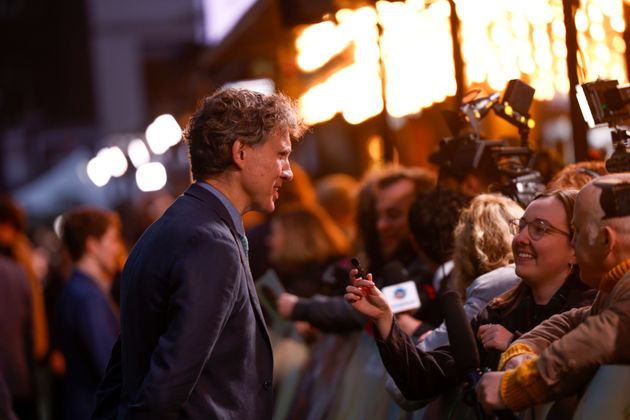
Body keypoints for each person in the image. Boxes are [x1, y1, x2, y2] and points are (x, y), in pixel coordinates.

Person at [93, 88, 307, 419]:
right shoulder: (211, 243)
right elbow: (167, 386)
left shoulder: (173, 228)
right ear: (240, 152)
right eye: (281, 154)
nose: (288, 170)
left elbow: (126, 367)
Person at [344, 189, 596, 412]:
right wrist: (385, 318)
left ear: (575, 247)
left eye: (539, 228)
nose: (520, 239)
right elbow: (420, 382)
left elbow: (581, 377)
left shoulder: (592, 310)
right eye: (520, 226)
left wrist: (513, 343)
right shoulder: (499, 310)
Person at [476, 174, 630, 414]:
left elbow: (601, 336)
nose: (574, 244)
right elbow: (575, 321)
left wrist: (514, 387)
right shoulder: (613, 290)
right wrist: (522, 348)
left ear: (605, 240)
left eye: (577, 232)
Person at [55, 207, 124, 420]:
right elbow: (109, 365)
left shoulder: (77, 289)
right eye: (112, 240)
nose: (118, 249)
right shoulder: (88, 297)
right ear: (92, 245)